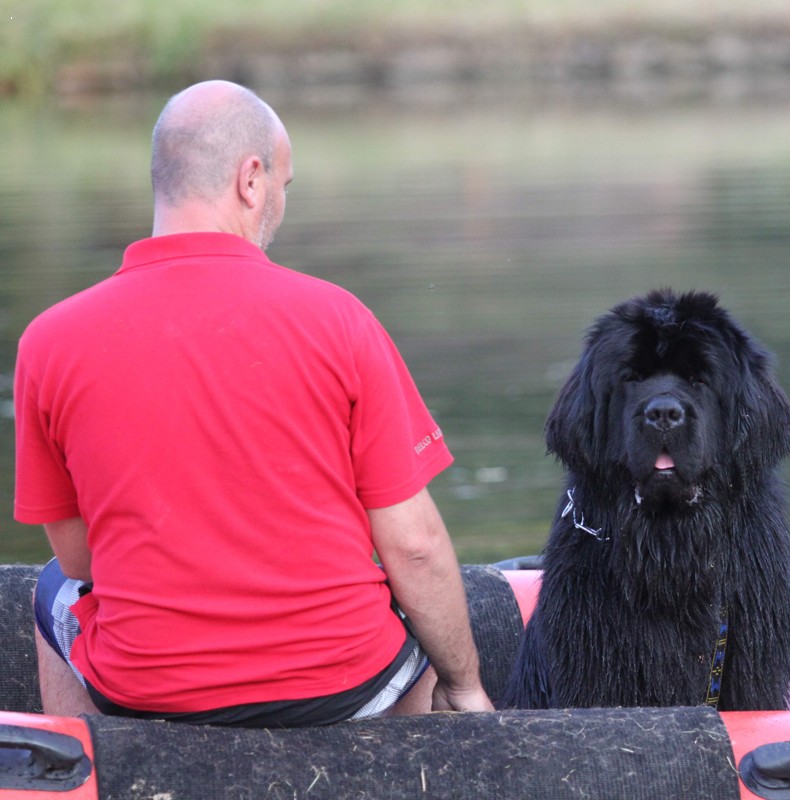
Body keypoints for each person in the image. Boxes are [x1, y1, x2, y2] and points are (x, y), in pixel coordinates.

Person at [13, 80, 493, 725]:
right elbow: (415, 547)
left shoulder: (47, 341)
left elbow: (81, 560)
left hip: (147, 687)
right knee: (418, 605)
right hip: (346, 683)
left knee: (52, 585)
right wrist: (465, 684)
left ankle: (87, 761)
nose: (280, 204)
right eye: (283, 186)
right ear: (250, 180)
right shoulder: (339, 319)